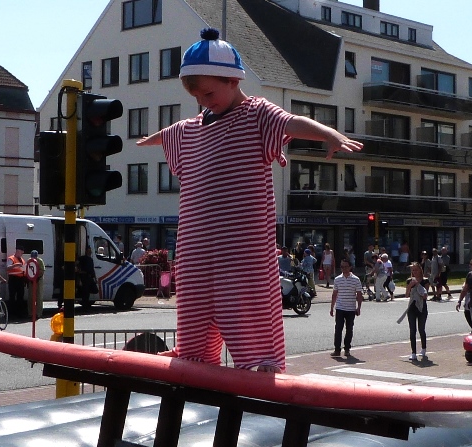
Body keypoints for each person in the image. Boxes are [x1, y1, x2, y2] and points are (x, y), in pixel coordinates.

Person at [136, 28, 363, 373]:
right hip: (195, 249)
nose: (204, 101)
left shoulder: (256, 115)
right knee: (195, 308)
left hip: (241, 249)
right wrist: (147, 141)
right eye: (197, 96)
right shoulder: (191, 129)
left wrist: (328, 133)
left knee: (246, 305)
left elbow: (291, 122)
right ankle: (193, 354)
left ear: (232, 80)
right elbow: (170, 133)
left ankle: (260, 363)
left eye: (209, 93)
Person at [330, 257, 363, 358]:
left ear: (350, 267)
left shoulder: (356, 280)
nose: (344, 269)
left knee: (349, 329)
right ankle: (337, 350)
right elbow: (334, 294)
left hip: (350, 308)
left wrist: (359, 307)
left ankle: (347, 349)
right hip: (340, 308)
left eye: (345, 267)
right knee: (338, 329)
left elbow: (359, 294)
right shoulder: (337, 279)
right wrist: (332, 307)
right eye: (342, 267)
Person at [404, 262, 428, 360]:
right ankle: (413, 352)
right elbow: (406, 295)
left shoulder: (425, 281)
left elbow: (425, 296)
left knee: (421, 329)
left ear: (420, 270)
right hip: (411, 308)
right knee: (412, 330)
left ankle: (423, 348)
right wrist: (409, 286)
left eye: (416, 270)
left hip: (422, 308)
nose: (414, 272)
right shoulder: (409, 280)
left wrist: (417, 284)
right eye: (413, 270)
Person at [6, 245, 26, 317]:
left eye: (22, 253)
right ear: (17, 251)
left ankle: (19, 313)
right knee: (12, 296)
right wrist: (15, 265)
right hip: (13, 279)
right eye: (21, 252)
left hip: (21, 280)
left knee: (20, 296)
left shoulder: (22, 260)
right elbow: (7, 268)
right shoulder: (11, 258)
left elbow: (24, 269)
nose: (21, 254)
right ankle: (11, 313)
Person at [27, 250, 45, 319]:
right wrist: (30, 279)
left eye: (34, 256)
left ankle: (38, 313)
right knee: (30, 297)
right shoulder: (29, 261)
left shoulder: (40, 261)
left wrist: (36, 278)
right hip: (31, 280)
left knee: (39, 297)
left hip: (39, 280)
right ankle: (30, 313)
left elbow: (42, 271)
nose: (33, 258)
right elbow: (27, 270)